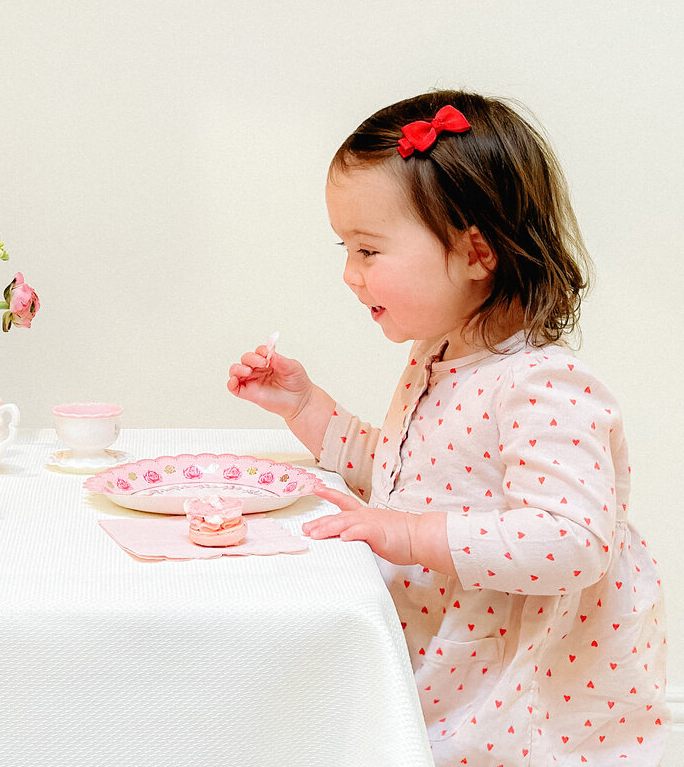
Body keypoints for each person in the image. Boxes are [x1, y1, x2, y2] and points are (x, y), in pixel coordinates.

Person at [228, 91, 667, 767]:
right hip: (457, 665)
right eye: (347, 248)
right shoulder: (439, 355)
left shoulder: (542, 387)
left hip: (524, 701)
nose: (351, 274)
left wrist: (408, 535)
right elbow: (406, 473)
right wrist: (306, 406)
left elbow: (574, 540)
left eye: (370, 250)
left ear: (477, 252)